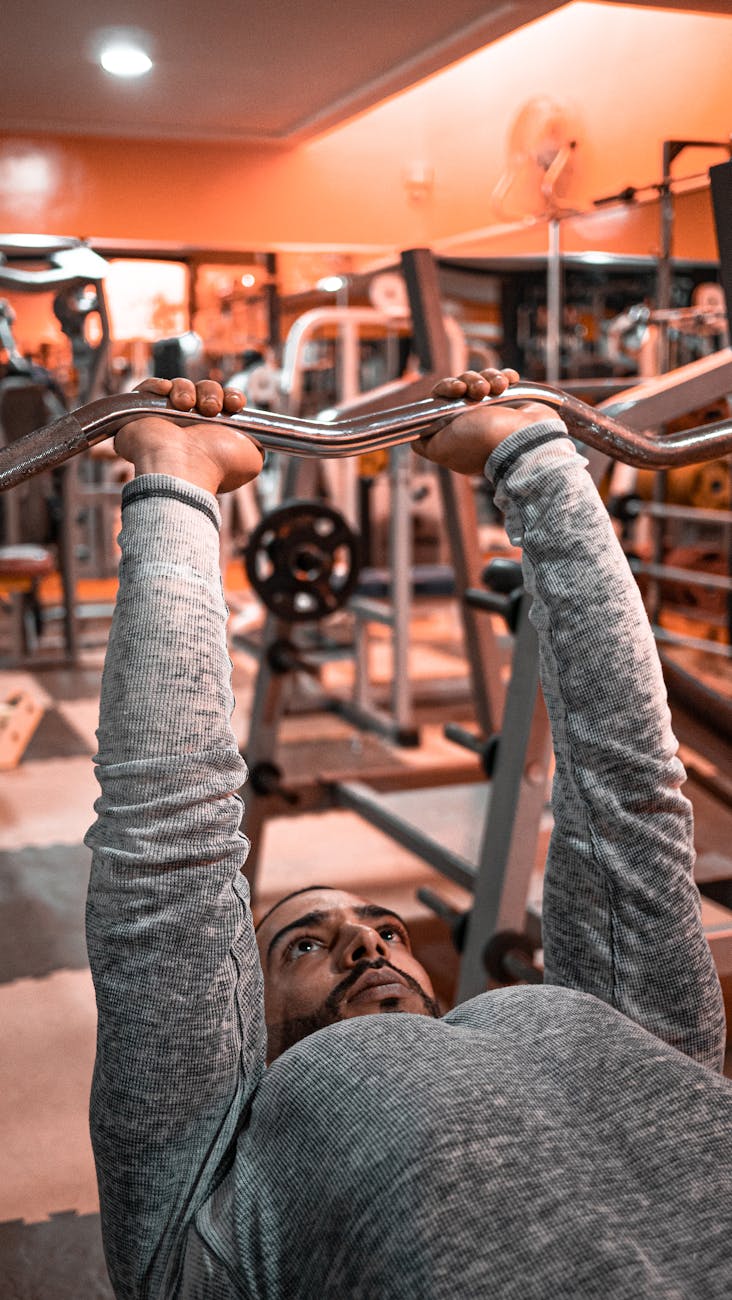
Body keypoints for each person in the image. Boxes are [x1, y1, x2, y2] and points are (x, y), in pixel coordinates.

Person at [84, 369, 731, 1300]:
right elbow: (171, 868)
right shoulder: (211, 1196)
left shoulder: (200, 1238)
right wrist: (535, 458)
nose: (366, 939)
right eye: (302, 944)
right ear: (236, 1045)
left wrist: (176, 491)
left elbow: (625, 795)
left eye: (387, 931)